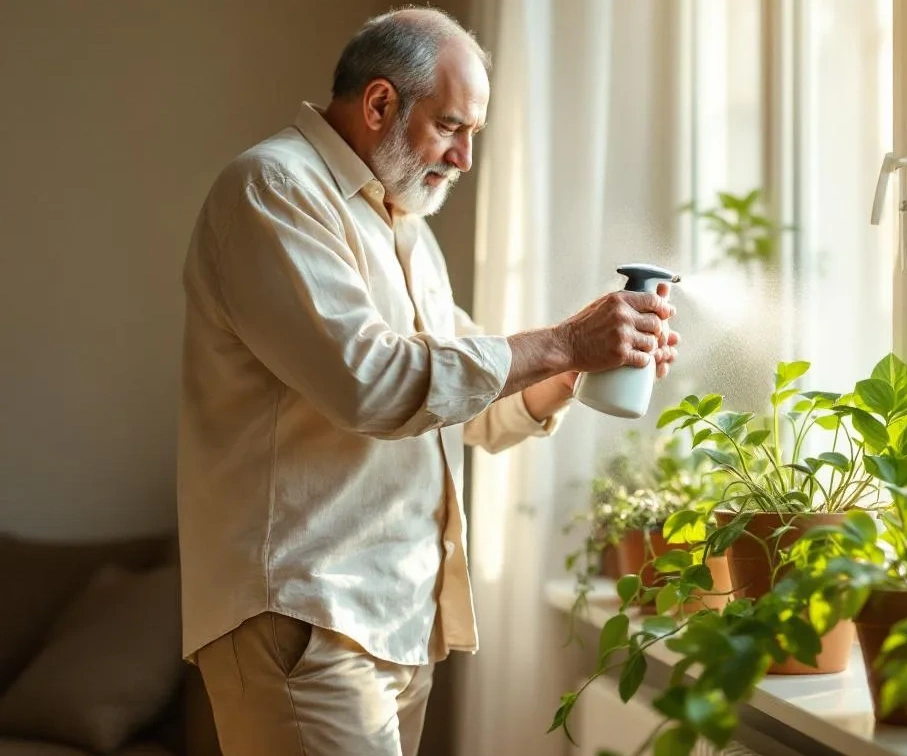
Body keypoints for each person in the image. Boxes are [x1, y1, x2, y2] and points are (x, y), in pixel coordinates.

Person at [176, 8, 678, 755]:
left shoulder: (404, 226)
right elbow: (372, 385)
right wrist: (561, 341)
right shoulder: (273, 190)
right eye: (452, 127)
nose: (465, 159)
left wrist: (575, 362)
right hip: (308, 618)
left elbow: (465, 406)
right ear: (380, 103)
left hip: (394, 620)